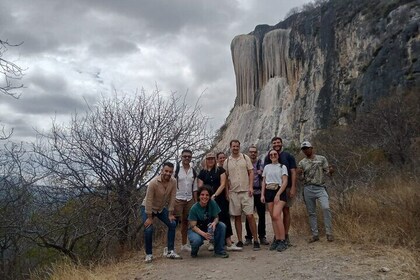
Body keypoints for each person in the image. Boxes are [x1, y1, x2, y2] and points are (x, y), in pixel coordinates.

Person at [197, 152, 242, 252]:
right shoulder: (202, 172)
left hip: (220, 198)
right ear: (206, 160)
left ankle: (229, 243)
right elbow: (200, 186)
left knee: (225, 219)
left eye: (212, 158)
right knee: (211, 220)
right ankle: (212, 242)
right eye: (208, 159)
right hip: (207, 200)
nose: (210, 160)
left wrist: (215, 195)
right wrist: (206, 197)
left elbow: (223, 184)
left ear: (215, 160)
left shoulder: (220, 170)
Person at [140, 162, 182, 263]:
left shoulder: (173, 181)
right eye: (166, 171)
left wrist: (170, 214)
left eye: (170, 172)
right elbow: (149, 200)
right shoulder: (153, 183)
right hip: (148, 208)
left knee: (172, 224)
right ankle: (149, 254)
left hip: (160, 208)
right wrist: (149, 217)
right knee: (148, 229)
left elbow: (172, 198)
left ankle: (170, 251)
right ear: (162, 171)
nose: (168, 173)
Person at [223, 139, 260, 250]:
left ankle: (256, 240)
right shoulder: (227, 162)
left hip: (246, 191)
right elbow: (225, 178)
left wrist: (250, 187)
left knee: (250, 216)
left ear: (239, 146)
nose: (235, 148)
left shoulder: (245, 158)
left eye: (237, 146)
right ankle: (240, 240)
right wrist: (226, 193)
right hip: (233, 192)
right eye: (233, 146)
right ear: (230, 147)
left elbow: (251, 172)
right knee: (237, 217)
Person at [297, 141, 334, 243]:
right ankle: (315, 234)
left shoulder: (321, 159)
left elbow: (328, 173)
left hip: (320, 187)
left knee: (326, 208)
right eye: (304, 149)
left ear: (311, 148)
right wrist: (299, 174)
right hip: (308, 188)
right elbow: (300, 178)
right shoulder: (302, 162)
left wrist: (331, 170)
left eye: (307, 148)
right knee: (311, 212)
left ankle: (329, 232)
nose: (306, 150)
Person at [264, 136, 297, 246]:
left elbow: (293, 172)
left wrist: (293, 187)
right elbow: (265, 177)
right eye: (274, 143)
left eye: (278, 142)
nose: (277, 144)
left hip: (285, 188)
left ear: (281, 143)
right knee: (274, 215)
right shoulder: (267, 161)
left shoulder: (288, 156)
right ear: (272, 145)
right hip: (270, 190)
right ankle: (278, 237)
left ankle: (285, 236)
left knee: (286, 211)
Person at [188, 185, 229, 258]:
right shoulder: (194, 208)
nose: (204, 197)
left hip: (208, 227)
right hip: (197, 230)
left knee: (222, 226)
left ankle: (219, 251)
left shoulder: (212, 203)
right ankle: (194, 251)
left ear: (210, 196)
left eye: (207, 195)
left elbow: (216, 217)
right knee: (196, 240)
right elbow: (193, 226)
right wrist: (204, 234)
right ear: (199, 196)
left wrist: (214, 223)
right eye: (202, 195)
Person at [261, 149, 289, 252]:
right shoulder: (267, 167)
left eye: (275, 154)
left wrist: (278, 194)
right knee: (273, 217)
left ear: (278, 155)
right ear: (269, 156)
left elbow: (285, 181)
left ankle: (283, 240)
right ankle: (277, 239)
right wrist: (262, 195)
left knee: (277, 215)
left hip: (279, 191)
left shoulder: (283, 167)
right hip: (269, 191)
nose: (273, 155)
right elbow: (264, 181)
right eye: (271, 154)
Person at [244, 145, 269, 246]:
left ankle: (262, 236)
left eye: (254, 152)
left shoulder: (261, 164)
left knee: (262, 215)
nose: (253, 154)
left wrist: (263, 193)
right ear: (248, 153)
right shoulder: (245, 164)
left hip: (259, 192)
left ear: (257, 153)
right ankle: (249, 237)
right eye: (251, 152)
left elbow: (264, 179)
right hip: (249, 193)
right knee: (248, 215)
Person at [174, 149, 198, 252]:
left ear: (191, 157)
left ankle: (184, 244)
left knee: (186, 222)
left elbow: (195, 188)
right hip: (178, 198)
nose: (187, 158)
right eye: (185, 156)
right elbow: (171, 185)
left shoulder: (193, 170)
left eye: (189, 156)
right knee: (173, 223)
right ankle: (170, 246)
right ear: (181, 157)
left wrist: (196, 201)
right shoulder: (176, 170)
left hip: (189, 199)